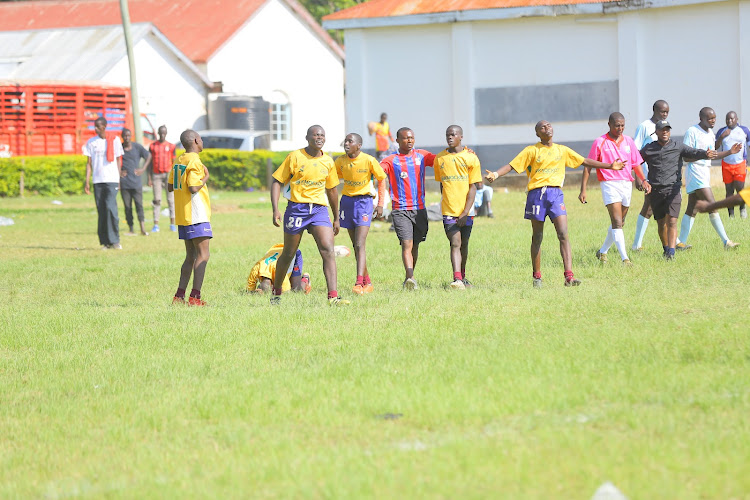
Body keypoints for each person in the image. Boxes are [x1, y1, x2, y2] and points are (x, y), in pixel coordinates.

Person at [484, 120, 624, 288]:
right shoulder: (532, 150)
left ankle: (569, 277)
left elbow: (584, 161)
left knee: (563, 234)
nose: (547, 128)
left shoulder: (562, 150)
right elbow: (512, 165)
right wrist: (495, 174)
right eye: (542, 127)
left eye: (548, 125)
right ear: (537, 133)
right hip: (537, 195)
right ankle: (537, 277)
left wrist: (610, 166)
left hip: (556, 194)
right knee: (537, 236)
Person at [270, 125, 349, 306]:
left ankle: (333, 297)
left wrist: (336, 217)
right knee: (288, 254)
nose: (319, 138)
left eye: (322, 135)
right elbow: (277, 181)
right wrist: (275, 209)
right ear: (307, 138)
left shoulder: (328, 161)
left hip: (319, 211)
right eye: (315, 135)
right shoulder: (295, 157)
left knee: (328, 250)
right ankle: (276, 293)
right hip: (296, 209)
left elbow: (332, 190)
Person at [638, 120, 736, 259]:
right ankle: (666, 249)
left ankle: (671, 253)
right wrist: (641, 179)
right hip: (656, 191)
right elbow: (635, 161)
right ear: (657, 132)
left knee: (672, 221)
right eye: (662, 129)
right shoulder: (649, 148)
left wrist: (705, 154)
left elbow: (693, 152)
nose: (665, 132)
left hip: (674, 190)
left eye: (667, 129)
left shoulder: (677, 146)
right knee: (661, 223)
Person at [579, 112, 646, 265]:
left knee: (621, 222)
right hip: (609, 183)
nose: (620, 128)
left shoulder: (629, 141)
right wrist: (583, 189)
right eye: (617, 125)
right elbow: (588, 165)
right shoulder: (600, 142)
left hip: (626, 184)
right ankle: (625, 259)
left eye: (622, 125)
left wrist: (643, 179)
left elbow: (636, 163)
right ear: (609, 124)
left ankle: (602, 251)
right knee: (616, 221)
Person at [379, 127, 436, 290]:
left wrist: (464, 154)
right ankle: (410, 276)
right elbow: (377, 171)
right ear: (397, 141)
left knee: (415, 244)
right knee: (406, 243)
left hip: (419, 209)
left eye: (411, 138)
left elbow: (442, 161)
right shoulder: (391, 160)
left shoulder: (422, 156)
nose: (409, 141)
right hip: (400, 209)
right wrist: (380, 203)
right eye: (405, 138)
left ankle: (409, 278)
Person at [677, 107, 740, 250]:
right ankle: (726, 242)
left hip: (705, 172)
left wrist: (730, 151)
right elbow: (685, 156)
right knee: (712, 204)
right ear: (701, 118)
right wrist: (703, 155)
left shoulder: (711, 133)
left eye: (714, 118)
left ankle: (680, 243)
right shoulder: (692, 132)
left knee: (691, 209)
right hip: (695, 171)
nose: (713, 121)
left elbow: (713, 154)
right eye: (710, 118)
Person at [335, 132, 387, 295]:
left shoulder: (369, 160)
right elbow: (334, 178)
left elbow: (382, 179)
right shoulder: (341, 161)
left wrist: (380, 204)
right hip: (347, 203)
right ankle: (368, 281)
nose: (346, 144)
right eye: (345, 141)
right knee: (356, 246)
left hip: (364, 203)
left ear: (359, 145)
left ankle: (359, 283)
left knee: (359, 244)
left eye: (350, 141)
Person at [434, 125, 482, 289]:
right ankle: (457, 279)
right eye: (448, 134)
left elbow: (473, 188)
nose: (450, 137)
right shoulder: (440, 158)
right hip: (449, 210)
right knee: (455, 242)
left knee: (464, 244)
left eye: (453, 134)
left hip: (467, 211)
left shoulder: (471, 158)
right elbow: (442, 185)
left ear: (461, 136)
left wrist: (465, 211)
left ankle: (463, 276)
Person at [168, 130, 211, 306]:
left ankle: (179, 297)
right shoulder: (194, 161)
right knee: (203, 254)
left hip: (183, 215)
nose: (202, 141)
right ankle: (195, 297)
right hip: (196, 214)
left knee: (190, 256)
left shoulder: (179, 160)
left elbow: (170, 186)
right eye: (200, 139)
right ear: (195, 141)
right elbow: (194, 187)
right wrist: (206, 177)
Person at [631, 100, 669, 251]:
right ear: (654, 110)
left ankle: (637, 244)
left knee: (657, 207)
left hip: (663, 175)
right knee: (649, 207)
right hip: (649, 175)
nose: (665, 114)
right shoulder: (645, 126)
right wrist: (639, 176)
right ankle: (637, 244)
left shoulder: (665, 127)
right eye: (662, 111)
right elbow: (635, 152)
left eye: (667, 112)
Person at [83, 116, 124, 250]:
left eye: (97, 126)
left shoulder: (115, 140)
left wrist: (118, 179)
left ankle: (115, 241)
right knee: (101, 211)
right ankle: (105, 242)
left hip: (111, 180)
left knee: (111, 209)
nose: (95, 128)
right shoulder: (91, 142)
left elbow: (118, 160)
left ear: (104, 127)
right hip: (98, 180)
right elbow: (89, 164)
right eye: (94, 126)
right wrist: (87, 181)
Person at [714, 111, 750, 218]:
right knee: (729, 190)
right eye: (727, 119)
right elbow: (715, 147)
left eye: (732, 119)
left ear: (737, 119)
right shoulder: (721, 131)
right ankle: (731, 214)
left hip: (740, 164)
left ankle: (742, 209)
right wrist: (721, 137)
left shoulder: (744, 130)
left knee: (740, 188)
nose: (730, 121)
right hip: (726, 164)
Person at [119, 128, 151, 236]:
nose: (127, 138)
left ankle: (142, 228)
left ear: (131, 136)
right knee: (127, 207)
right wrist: (119, 172)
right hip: (124, 183)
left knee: (139, 205)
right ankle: (131, 228)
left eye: (128, 135)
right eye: (125, 136)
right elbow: (114, 160)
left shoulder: (137, 147)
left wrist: (143, 169)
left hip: (136, 182)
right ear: (122, 136)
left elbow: (148, 156)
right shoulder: (119, 148)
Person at [246, 243, 311, 294]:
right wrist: (254, 292)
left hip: (292, 252)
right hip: (274, 250)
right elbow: (249, 290)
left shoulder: (279, 270)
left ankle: (305, 278)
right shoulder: (256, 268)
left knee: (296, 290)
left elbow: (287, 293)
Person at [148, 125, 177, 233]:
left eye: (164, 133)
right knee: (157, 199)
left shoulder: (171, 146)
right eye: (161, 133)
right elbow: (149, 163)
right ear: (158, 133)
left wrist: (174, 177)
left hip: (168, 174)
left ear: (166, 133)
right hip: (156, 175)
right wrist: (149, 178)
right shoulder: (153, 146)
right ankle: (156, 225)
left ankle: (172, 224)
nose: (162, 135)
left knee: (171, 199)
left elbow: (174, 162)